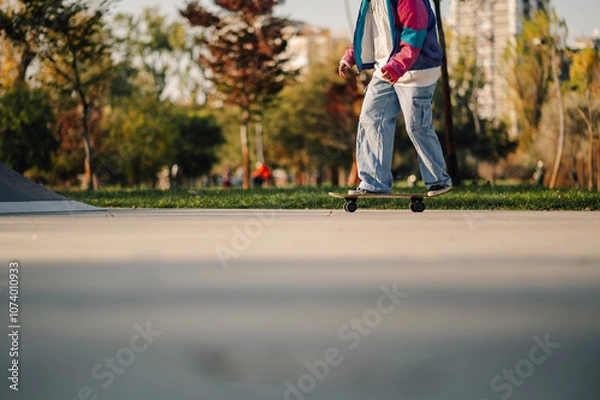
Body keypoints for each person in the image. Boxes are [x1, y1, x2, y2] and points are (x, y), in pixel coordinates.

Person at [338, 0, 452, 197]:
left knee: (417, 126)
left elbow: (414, 33)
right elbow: (368, 30)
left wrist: (397, 66)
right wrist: (351, 55)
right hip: (386, 68)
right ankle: (374, 182)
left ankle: (438, 180)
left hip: (417, 69)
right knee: (371, 118)